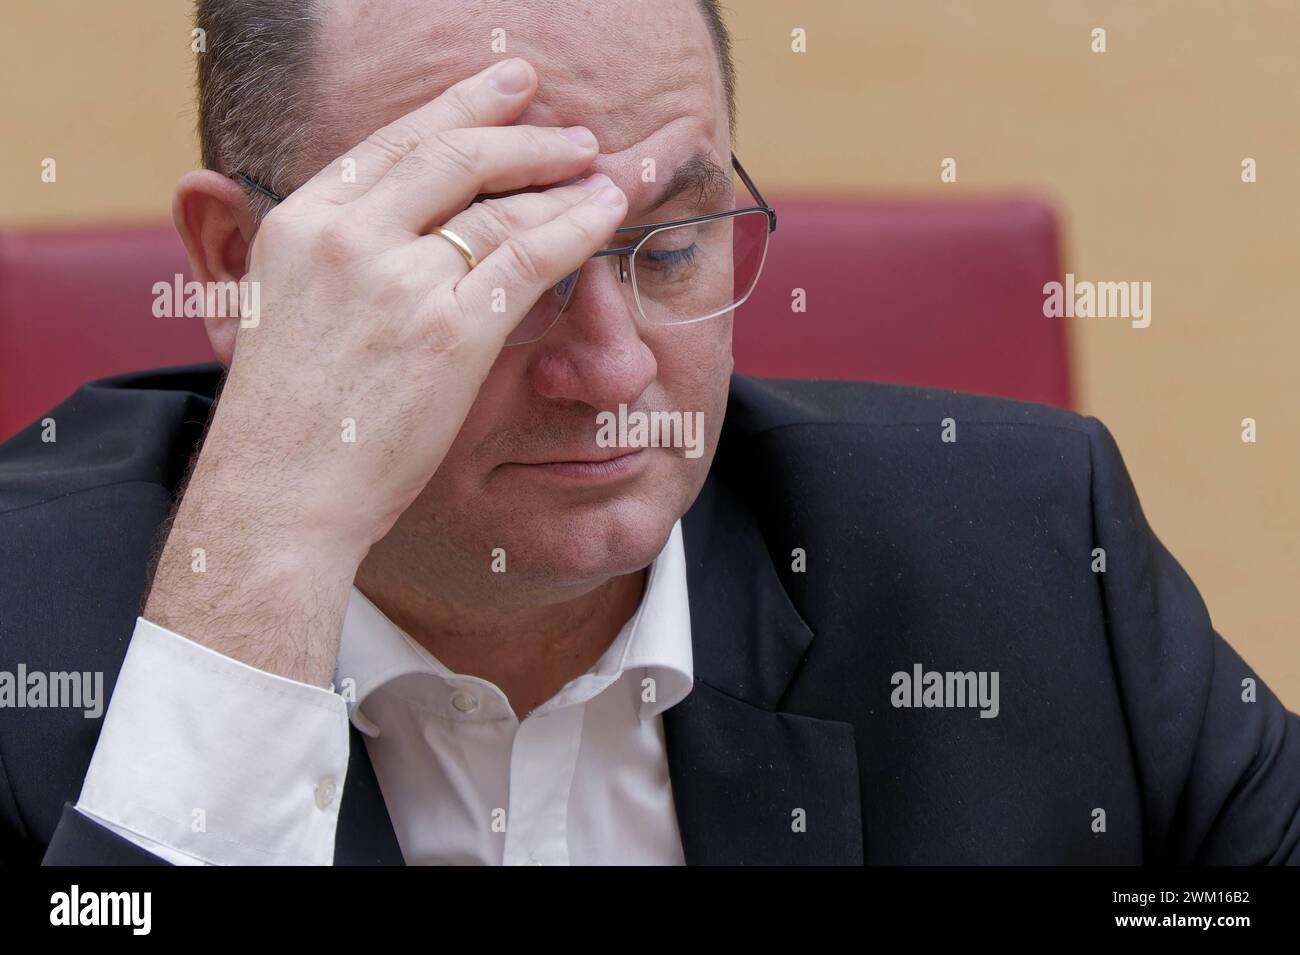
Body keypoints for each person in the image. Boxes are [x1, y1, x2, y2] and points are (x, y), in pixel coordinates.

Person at [1, 0, 1297, 866]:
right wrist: (267, 557)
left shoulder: (1032, 559)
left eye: (671, 249)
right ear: (241, 267)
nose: (613, 369)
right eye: (490, 258)